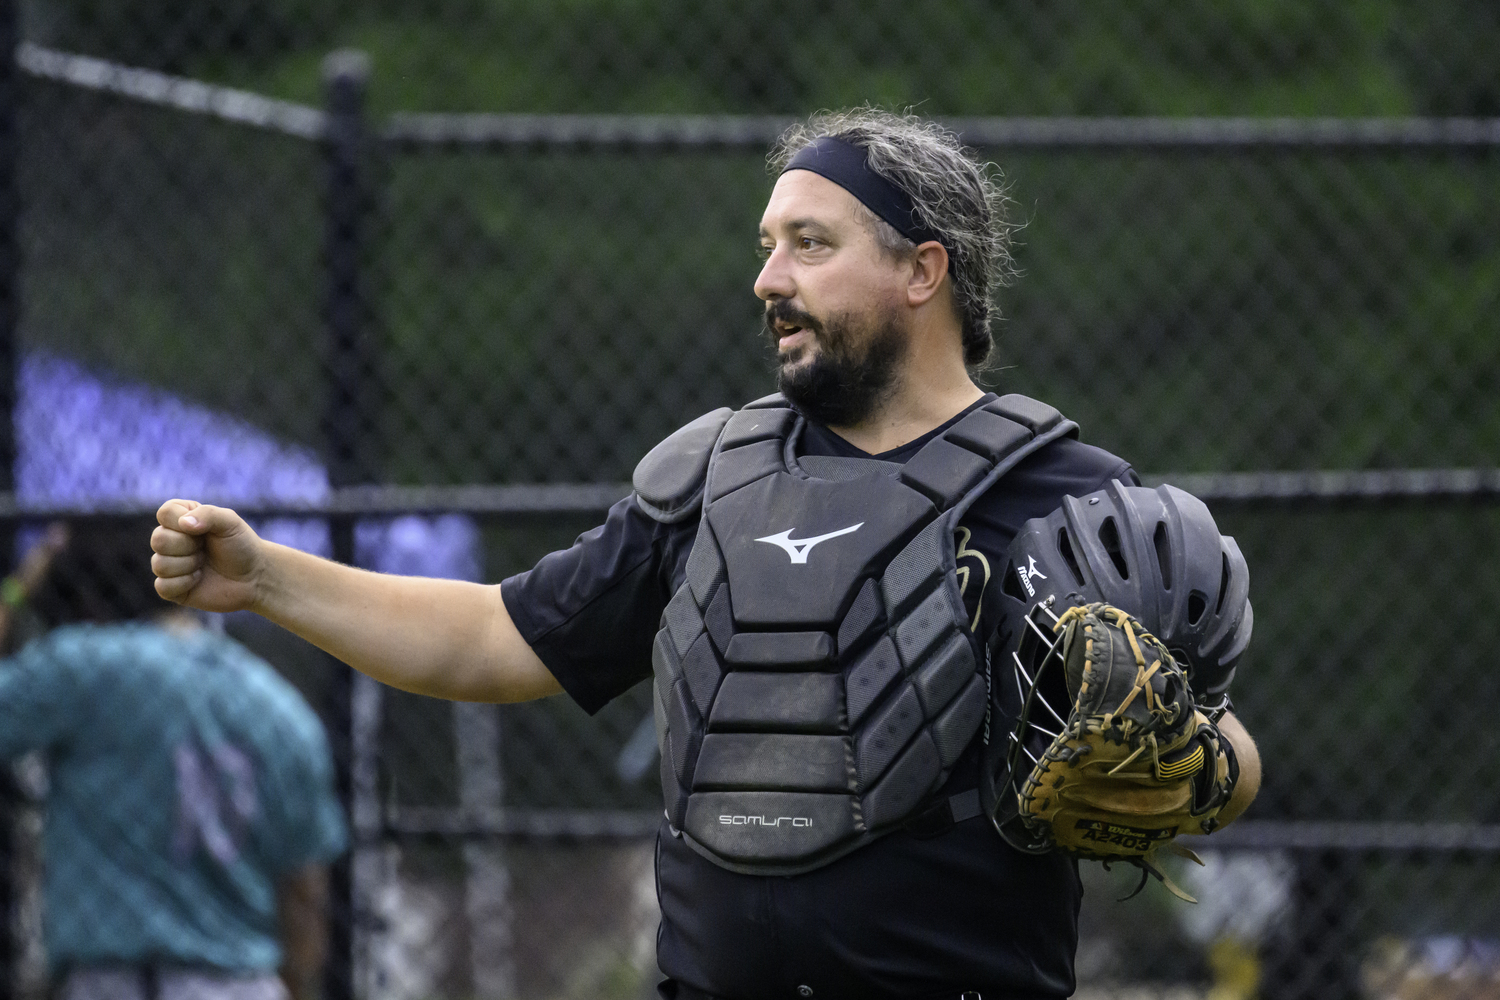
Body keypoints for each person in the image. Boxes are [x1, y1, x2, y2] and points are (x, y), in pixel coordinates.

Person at [151, 107, 1262, 1000]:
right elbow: (495, 636)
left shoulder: (1063, 493)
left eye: (810, 246)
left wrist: (1184, 768)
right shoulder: (714, 479)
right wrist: (264, 577)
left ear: (922, 272)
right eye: (767, 246)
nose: (767, 279)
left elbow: (1221, 748)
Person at [0, 522, 347, 1000]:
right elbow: (305, 892)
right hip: (247, 983)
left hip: (115, 982)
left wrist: (18, 589)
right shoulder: (279, 707)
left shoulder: (83, 669)